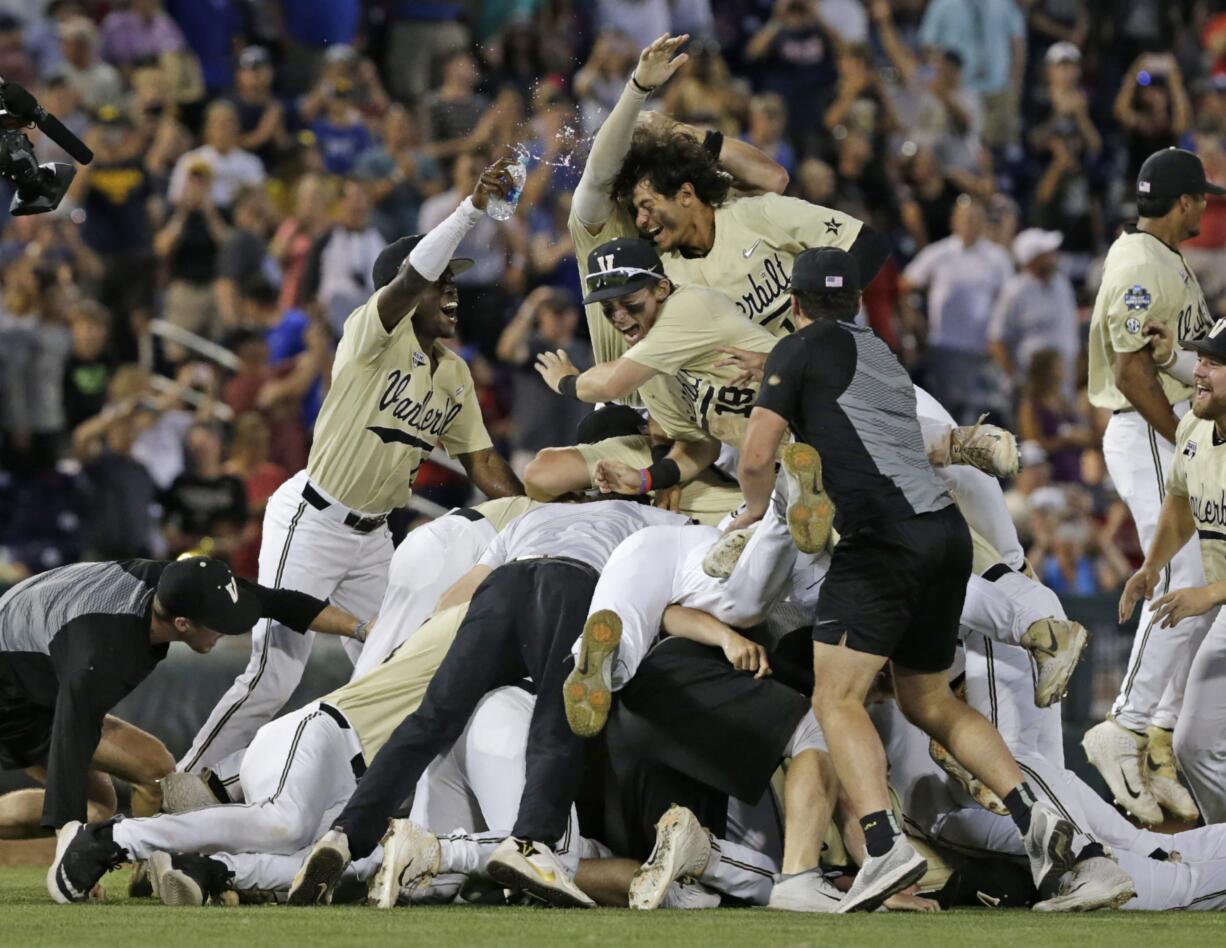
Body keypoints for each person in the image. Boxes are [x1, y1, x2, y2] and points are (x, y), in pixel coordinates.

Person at [728, 246, 1098, 912]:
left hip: (879, 543)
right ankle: (1036, 817)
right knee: (929, 702)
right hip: (946, 539)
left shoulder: (800, 347)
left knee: (834, 699)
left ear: (795, 305)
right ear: (857, 302)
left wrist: (755, 507)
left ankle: (883, 846)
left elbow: (758, 454)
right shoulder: (881, 357)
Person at [177, 158, 525, 788]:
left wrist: (536, 518)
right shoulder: (371, 334)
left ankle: (247, 787)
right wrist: (469, 209)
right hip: (313, 514)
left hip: (374, 539)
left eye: (454, 281)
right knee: (272, 674)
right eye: (440, 281)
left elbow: (483, 464)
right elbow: (406, 282)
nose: (451, 291)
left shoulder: (454, 373)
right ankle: (180, 786)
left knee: (389, 673)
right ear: (405, 288)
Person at [289, 500, 688, 909]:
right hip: (574, 584)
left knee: (429, 720)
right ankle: (530, 845)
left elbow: (454, 596)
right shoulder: (654, 519)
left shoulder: (535, 517)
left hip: (504, 585)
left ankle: (344, 833)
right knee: (558, 722)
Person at [0, 554, 360, 861]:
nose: (228, 630)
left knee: (101, 806)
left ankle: (145, 867)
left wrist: (362, 629)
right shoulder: (101, 650)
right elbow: (70, 739)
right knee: (151, 770)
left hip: (38, 669)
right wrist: (71, 851)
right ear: (182, 624)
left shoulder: (181, 585)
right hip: (14, 694)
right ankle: (142, 868)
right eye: (218, 625)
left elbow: (282, 603)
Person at [1083, 147, 1219, 826]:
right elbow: (1132, 372)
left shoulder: (1161, 256)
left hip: (1160, 428)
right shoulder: (1138, 262)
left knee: (1205, 577)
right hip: (1145, 428)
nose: (1207, 207)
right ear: (1183, 201)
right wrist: (1183, 440)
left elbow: (1164, 354)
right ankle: (1127, 724)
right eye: (1202, 197)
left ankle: (1158, 739)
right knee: (1180, 571)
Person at [1117, 316, 1226, 822]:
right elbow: (1180, 501)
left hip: (1219, 599)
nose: (1200, 371)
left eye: (1215, 363)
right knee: (1194, 745)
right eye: (1201, 358)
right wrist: (1152, 565)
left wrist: (1208, 595)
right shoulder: (1193, 428)